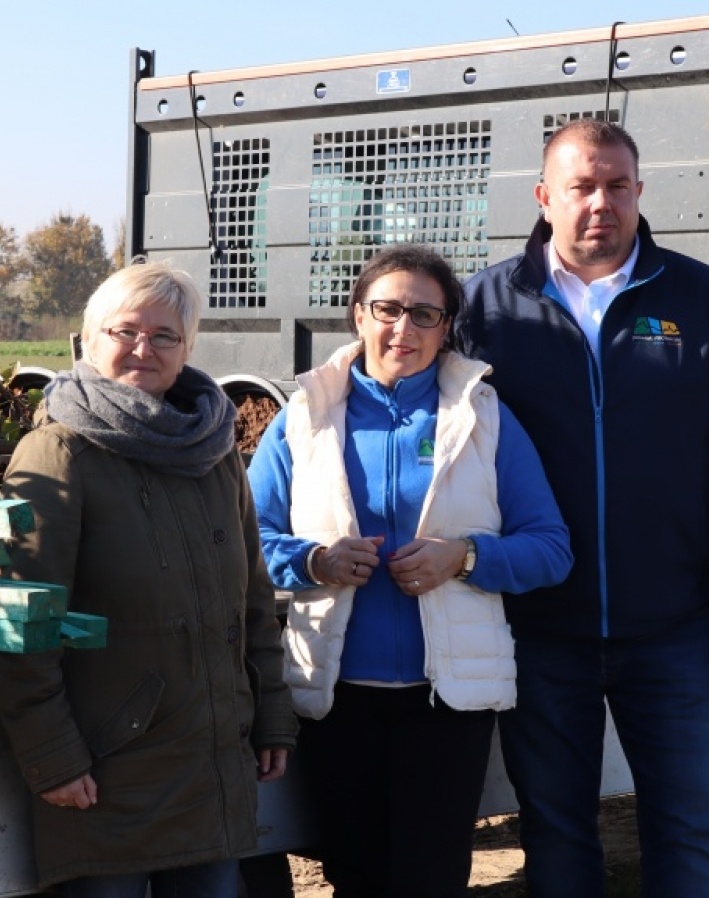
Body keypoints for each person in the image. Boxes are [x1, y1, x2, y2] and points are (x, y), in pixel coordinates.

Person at [453, 119, 709, 897]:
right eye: (581, 186)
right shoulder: (484, 308)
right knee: (557, 836)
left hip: (673, 629)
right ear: (545, 197)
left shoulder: (698, 297)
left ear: (640, 192)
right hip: (540, 629)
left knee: (687, 834)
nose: (600, 203)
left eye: (617, 185)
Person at [247, 244, 573, 897]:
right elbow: (246, 541)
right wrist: (314, 559)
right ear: (358, 316)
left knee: (431, 877)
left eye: (426, 314)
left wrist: (468, 556)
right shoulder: (305, 417)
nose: (405, 329)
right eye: (389, 309)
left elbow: (551, 548)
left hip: (445, 701)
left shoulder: (484, 419)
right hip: (336, 697)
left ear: (447, 325)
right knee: (355, 873)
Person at [0, 261, 297, 897]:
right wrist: (52, 756)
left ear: (187, 350)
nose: (142, 348)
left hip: (208, 762)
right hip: (106, 773)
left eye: (165, 335)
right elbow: (24, 621)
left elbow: (253, 601)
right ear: (88, 341)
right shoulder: (60, 453)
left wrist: (271, 712)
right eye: (124, 330)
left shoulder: (213, 451)